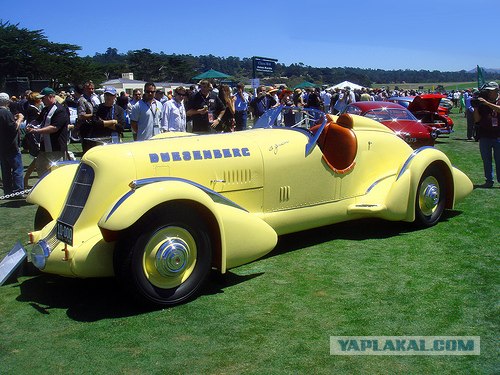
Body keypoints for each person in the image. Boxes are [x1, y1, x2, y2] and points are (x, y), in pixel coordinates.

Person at [26, 87, 69, 177]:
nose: (41, 100)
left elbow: (54, 128)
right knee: (40, 166)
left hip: (56, 147)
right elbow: (38, 120)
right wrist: (30, 125)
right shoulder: (46, 109)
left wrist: (36, 131)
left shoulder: (60, 110)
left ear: (50, 97)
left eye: (43, 98)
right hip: (44, 146)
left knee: (56, 171)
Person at [472, 81, 500, 188]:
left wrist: (487, 103)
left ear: (496, 91)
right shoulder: (482, 103)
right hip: (485, 135)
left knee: (499, 159)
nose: (488, 93)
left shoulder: (497, 101)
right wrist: (475, 107)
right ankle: (489, 180)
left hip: (498, 135)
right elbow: (477, 120)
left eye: (491, 91)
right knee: (486, 160)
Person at [84, 86, 125, 152]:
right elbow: (95, 123)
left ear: (115, 96)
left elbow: (121, 127)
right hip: (100, 140)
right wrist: (113, 121)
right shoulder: (97, 108)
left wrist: (103, 122)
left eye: (111, 95)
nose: (108, 97)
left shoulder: (119, 109)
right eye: (107, 95)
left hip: (115, 139)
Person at [0, 92, 25, 197]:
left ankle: (8, 191)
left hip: (2, 146)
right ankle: (18, 190)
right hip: (11, 146)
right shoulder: (6, 113)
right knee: (17, 169)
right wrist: (19, 119)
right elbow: (13, 128)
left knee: (5, 171)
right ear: (7, 102)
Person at [77, 80, 101, 154]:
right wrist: (94, 115)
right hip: (86, 129)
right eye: (89, 89)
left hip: (95, 127)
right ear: (84, 89)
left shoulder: (94, 99)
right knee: (88, 151)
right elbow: (81, 115)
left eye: (92, 88)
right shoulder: (82, 100)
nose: (91, 90)